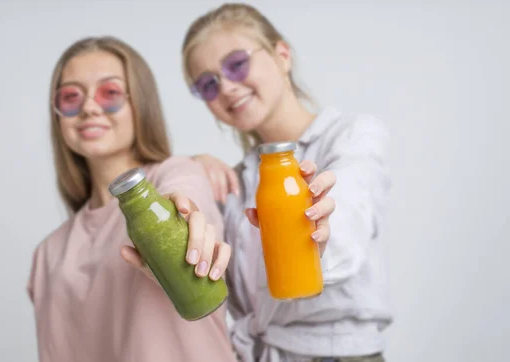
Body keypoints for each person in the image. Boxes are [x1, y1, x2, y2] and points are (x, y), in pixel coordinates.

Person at [181, 3, 392, 362]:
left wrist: (320, 231)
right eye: (208, 84)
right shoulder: (233, 183)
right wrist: (185, 172)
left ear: (282, 55)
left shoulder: (351, 137)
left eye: (236, 64)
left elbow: (349, 210)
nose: (227, 88)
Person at [26, 36, 239, 362]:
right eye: (71, 97)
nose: (89, 108)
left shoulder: (179, 175)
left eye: (109, 93)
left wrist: (187, 226)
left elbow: (185, 200)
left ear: (140, 102)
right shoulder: (47, 255)